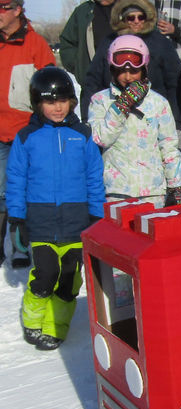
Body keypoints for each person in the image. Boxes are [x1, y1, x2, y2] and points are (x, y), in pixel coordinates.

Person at [5, 67, 105, 350]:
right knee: (45, 275)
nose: (57, 107)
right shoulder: (27, 138)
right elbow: (15, 179)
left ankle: (55, 326)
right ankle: (33, 319)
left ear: (71, 101)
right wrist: (17, 216)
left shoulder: (82, 136)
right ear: (38, 103)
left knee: (70, 280)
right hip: (42, 220)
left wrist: (96, 214)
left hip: (77, 221)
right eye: (50, 102)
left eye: (62, 100)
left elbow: (94, 178)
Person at [88, 35, 181, 207]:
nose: (128, 77)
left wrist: (174, 185)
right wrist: (121, 106)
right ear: (112, 70)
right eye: (122, 71)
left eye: (134, 71)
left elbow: (168, 146)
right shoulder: (100, 101)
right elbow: (101, 139)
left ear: (145, 69)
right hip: (117, 191)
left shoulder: (158, 103)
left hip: (153, 193)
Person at [0, 0, 56, 268]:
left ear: (17, 9)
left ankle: (23, 245)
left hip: (26, 133)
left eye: (2, 7)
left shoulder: (36, 45)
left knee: (26, 191)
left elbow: (50, 88)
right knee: (2, 193)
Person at [80, 0, 181, 130]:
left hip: (154, 116)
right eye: (131, 17)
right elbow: (92, 81)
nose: (136, 21)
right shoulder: (109, 42)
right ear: (123, 19)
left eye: (141, 17)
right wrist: (87, 118)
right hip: (114, 115)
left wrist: (176, 120)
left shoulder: (161, 43)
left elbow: (174, 83)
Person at [59, 0, 118, 92]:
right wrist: (80, 69)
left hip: (129, 85)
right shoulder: (83, 11)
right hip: (93, 87)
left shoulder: (131, 9)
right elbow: (67, 43)